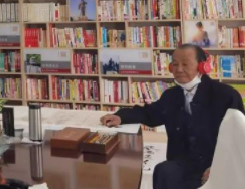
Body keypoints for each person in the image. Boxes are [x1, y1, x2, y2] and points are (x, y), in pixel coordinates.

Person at [100, 44, 244, 189]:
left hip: (216, 164)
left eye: (185, 64)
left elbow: (239, 140)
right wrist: (121, 117)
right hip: (184, 164)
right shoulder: (171, 95)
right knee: (164, 171)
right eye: (175, 64)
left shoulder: (226, 96)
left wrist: (219, 167)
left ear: (202, 66)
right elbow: (150, 114)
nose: (179, 69)